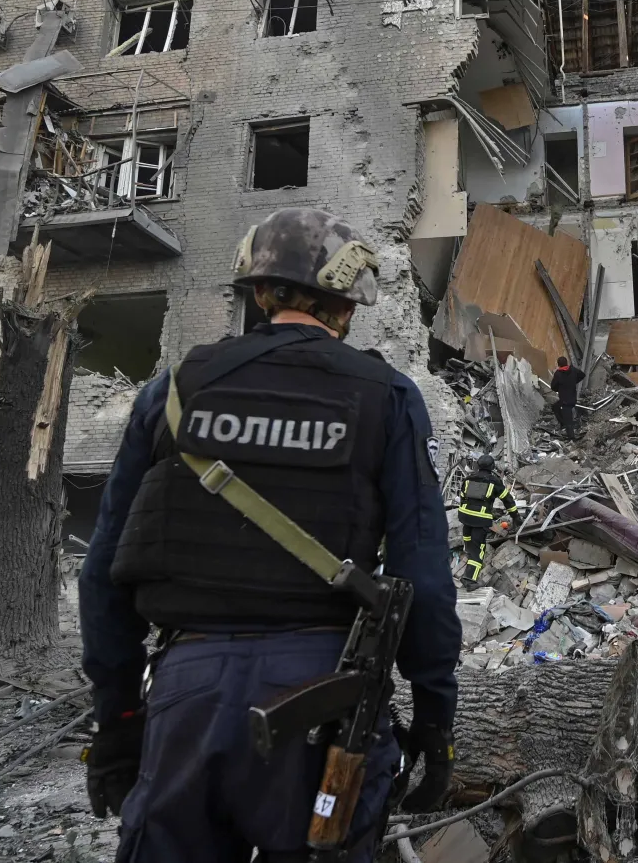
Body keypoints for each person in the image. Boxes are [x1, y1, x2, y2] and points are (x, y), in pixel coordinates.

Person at [78, 208, 461, 863]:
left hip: (185, 696)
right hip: (322, 697)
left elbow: (102, 573)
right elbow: (421, 574)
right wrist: (434, 716)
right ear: (347, 304)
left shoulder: (172, 394)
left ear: (258, 291)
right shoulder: (386, 396)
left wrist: (117, 718)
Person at [455, 454, 517, 590]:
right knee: (479, 550)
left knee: (469, 543)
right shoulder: (494, 481)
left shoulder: (468, 479)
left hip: (465, 517)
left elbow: (463, 498)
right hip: (480, 519)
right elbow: (508, 500)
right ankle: (470, 581)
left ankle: (467, 556)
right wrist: (516, 518)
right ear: (492, 467)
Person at [550, 357, 584, 438]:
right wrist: (574, 381)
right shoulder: (573, 370)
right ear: (566, 362)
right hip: (572, 398)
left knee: (568, 420)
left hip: (565, 400)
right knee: (555, 407)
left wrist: (559, 388)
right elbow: (582, 375)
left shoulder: (558, 374)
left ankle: (571, 439)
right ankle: (564, 424)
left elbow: (553, 387)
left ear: (558, 364)